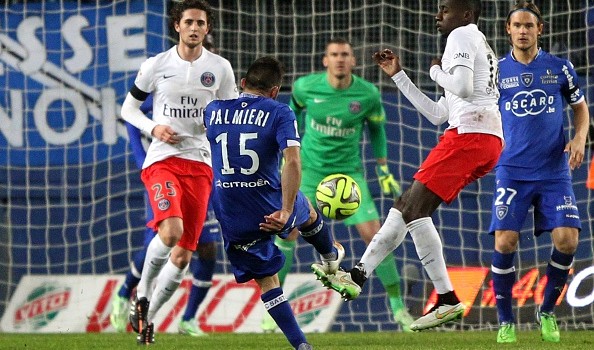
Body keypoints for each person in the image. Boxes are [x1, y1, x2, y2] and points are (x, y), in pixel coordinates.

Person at [314, 0, 503, 332]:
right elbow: (438, 113)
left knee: (413, 210)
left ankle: (446, 298)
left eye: (445, 9)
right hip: (483, 139)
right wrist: (399, 76)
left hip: (470, 135)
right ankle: (357, 276)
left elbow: (460, 87)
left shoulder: (460, 37)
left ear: (466, 14)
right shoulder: (479, 43)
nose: (438, 15)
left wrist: (434, 71)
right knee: (404, 208)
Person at [263, 37, 413, 333]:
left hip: (348, 175)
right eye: (334, 54)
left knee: (375, 235)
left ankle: (399, 309)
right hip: (310, 172)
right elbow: (292, 117)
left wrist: (382, 167)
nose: (340, 59)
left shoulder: (368, 94)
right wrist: (287, 156)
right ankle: (273, 311)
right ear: (325, 60)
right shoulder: (306, 88)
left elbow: (377, 130)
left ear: (353, 61)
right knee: (288, 231)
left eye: (345, 54)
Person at [205, 56, 346, 350]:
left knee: (268, 281)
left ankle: (301, 346)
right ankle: (331, 258)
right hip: (268, 205)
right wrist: (284, 209)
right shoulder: (280, 112)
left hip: (231, 214)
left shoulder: (213, 110)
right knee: (306, 211)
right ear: (274, 91)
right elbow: (292, 161)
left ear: (242, 84)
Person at [119, 0, 238, 344]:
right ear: (177, 27)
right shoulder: (156, 65)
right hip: (163, 160)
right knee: (170, 233)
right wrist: (154, 128)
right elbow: (128, 109)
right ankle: (141, 296)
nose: (195, 27)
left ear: (207, 28)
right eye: (189, 22)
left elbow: (228, 117)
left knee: (185, 254)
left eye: (201, 23)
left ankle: (148, 319)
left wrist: (214, 127)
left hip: (201, 165)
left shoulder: (220, 68)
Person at [490, 0, 588, 343]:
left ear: (539, 30)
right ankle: (505, 321)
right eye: (517, 25)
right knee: (505, 241)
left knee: (568, 239)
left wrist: (579, 137)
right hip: (512, 169)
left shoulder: (560, 68)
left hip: (553, 169)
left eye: (528, 26)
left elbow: (580, 108)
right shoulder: (496, 71)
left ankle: (546, 310)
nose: (522, 31)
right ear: (508, 30)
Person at [110, 95, 222, 337]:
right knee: (163, 236)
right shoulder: (168, 84)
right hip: (166, 169)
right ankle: (126, 293)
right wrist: (140, 155)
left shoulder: (216, 85)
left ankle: (188, 319)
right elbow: (132, 112)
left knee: (206, 248)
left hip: (201, 170)